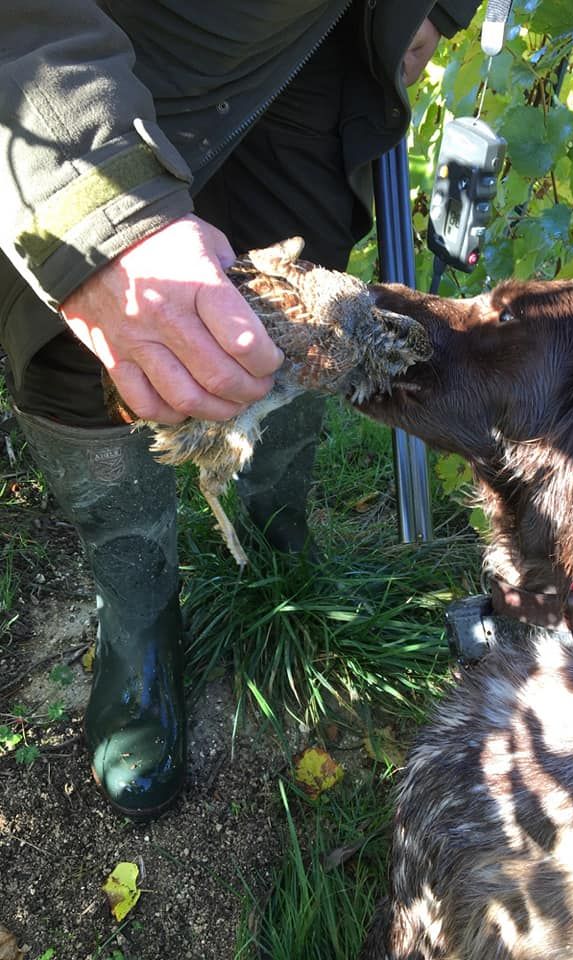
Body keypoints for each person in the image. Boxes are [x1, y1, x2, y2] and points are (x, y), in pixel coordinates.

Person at [0, 0, 480, 819]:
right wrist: (95, 206)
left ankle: (274, 542)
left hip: (312, 46)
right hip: (79, 51)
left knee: (298, 322)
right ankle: (140, 613)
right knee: (90, 354)